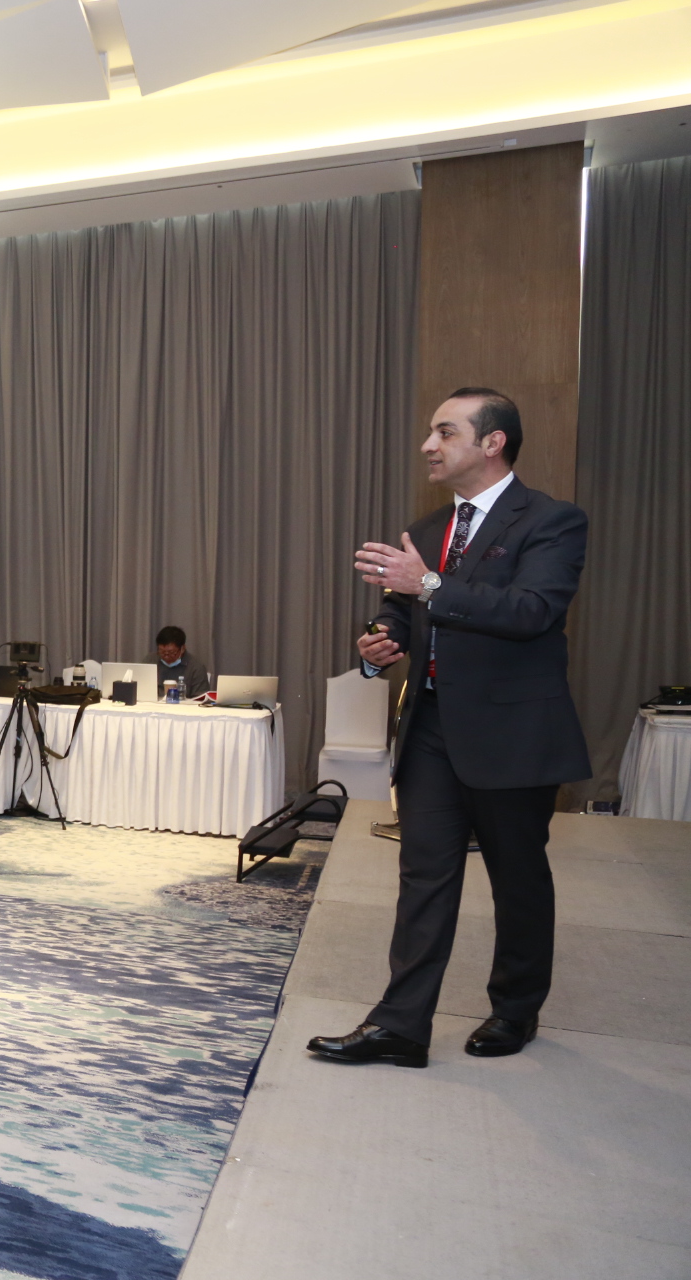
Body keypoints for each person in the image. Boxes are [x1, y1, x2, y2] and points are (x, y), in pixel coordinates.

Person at [309, 388, 590, 1070]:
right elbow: (401, 612)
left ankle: (515, 1009)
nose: (428, 445)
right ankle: (400, 1026)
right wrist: (380, 641)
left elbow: (531, 610)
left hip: (513, 734)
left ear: (493, 442)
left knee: (517, 879)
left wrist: (429, 585)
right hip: (431, 727)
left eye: (445, 432)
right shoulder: (430, 527)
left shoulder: (552, 521)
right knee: (423, 877)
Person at [142, 626, 210, 698]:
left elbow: (200, 699)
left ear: (182, 648)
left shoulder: (196, 667)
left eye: (171, 652)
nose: (166, 656)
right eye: (162, 652)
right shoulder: (150, 661)